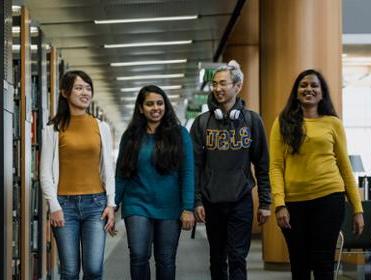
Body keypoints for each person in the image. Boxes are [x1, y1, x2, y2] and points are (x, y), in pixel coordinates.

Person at [269, 69, 365, 280]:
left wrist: (357, 209)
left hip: (329, 199)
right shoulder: (282, 123)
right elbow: (275, 167)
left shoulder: (333, 123)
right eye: (303, 85)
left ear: (322, 93)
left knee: (323, 264)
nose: (309, 89)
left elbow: (345, 167)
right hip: (293, 203)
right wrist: (279, 204)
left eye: (314, 85)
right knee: (299, 264)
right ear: (296, 92)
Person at [190, 60, 271, 280]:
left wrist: (265, 202)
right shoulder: (201, 123)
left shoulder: (252, 121)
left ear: (237, 86)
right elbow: (194, 167)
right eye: (214, 84)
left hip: (241, 200)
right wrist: (196, 201)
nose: (217, 88)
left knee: (237, 258)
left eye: (223, 83)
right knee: (217, 258)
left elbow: (263, 164)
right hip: (211, 201)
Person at [40, 70, 116, 280]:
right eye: (79, 88)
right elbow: (45, 172)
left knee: (93, 269)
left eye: (88, 88)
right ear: (65, 92)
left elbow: (109, 169)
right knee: (70, 271)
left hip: (96, 205)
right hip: (64, 206)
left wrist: (111, 203)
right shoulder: (52, 129)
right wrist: (54, 206)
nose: (85, 92)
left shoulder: (101, 127)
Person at [115, 85, 195, 280]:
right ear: (141, 108)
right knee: (138, 256)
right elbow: (122, 174)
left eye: (160, 103)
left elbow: (188, 172)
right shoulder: (131, 136)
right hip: (137, 204)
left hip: (170, 206)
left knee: (166, 259)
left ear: (165, 106)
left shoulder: (180, 134)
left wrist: (188, 207)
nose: (155, 108)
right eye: (149, 104)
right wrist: (113, 204)